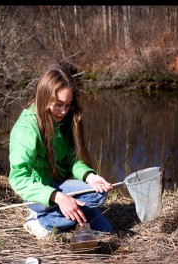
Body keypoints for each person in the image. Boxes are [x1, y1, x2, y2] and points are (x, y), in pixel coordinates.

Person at [9, 63, 113, 239]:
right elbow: (18, 178)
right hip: (39, 192)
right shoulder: (26, 128)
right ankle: (41, 221)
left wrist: (90, 177)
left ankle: (66, 215)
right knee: (85, 211)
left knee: (101, 210)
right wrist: (58, 197)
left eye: (68, 105)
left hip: (58, 184)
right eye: (58, 104)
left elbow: (71, 160)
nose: (63, 111)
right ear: (44, 97)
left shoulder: (62, 121)